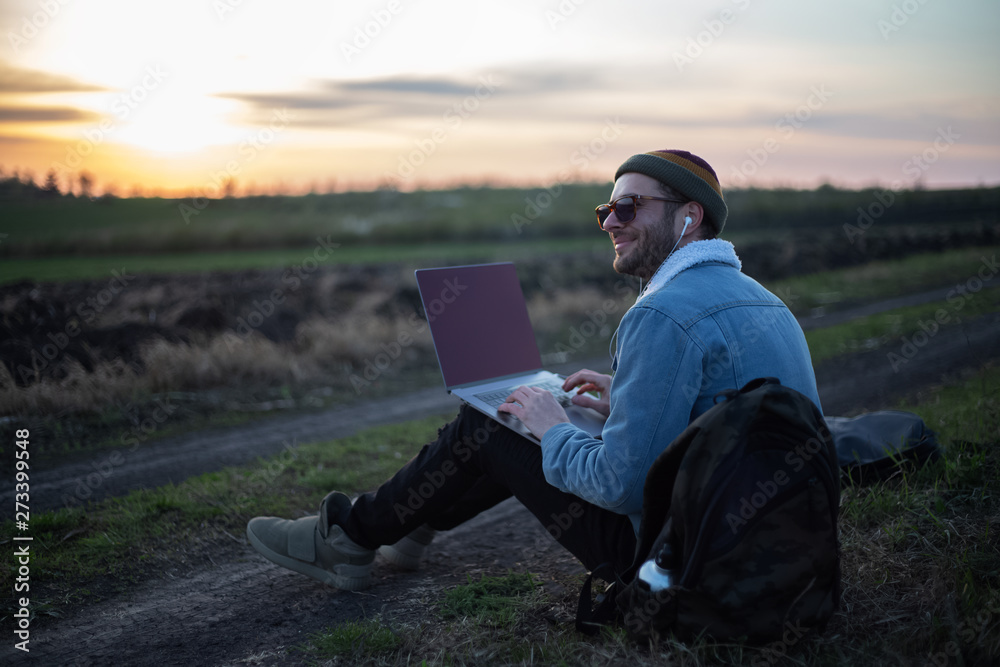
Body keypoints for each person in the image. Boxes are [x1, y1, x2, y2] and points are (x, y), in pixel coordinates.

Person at [246, 149, 822, 590]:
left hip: (669, 563)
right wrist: (624, 400)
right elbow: (727, 423)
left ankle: (349, 537)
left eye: (629, 207)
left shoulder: (662, 315)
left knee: (496, 422)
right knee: (524, 414)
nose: (611, 223)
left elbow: (619, 488)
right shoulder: (765, 302)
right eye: (606, 209)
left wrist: (556, 429)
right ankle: (408, 519)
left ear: (689, 218)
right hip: (765, 545)